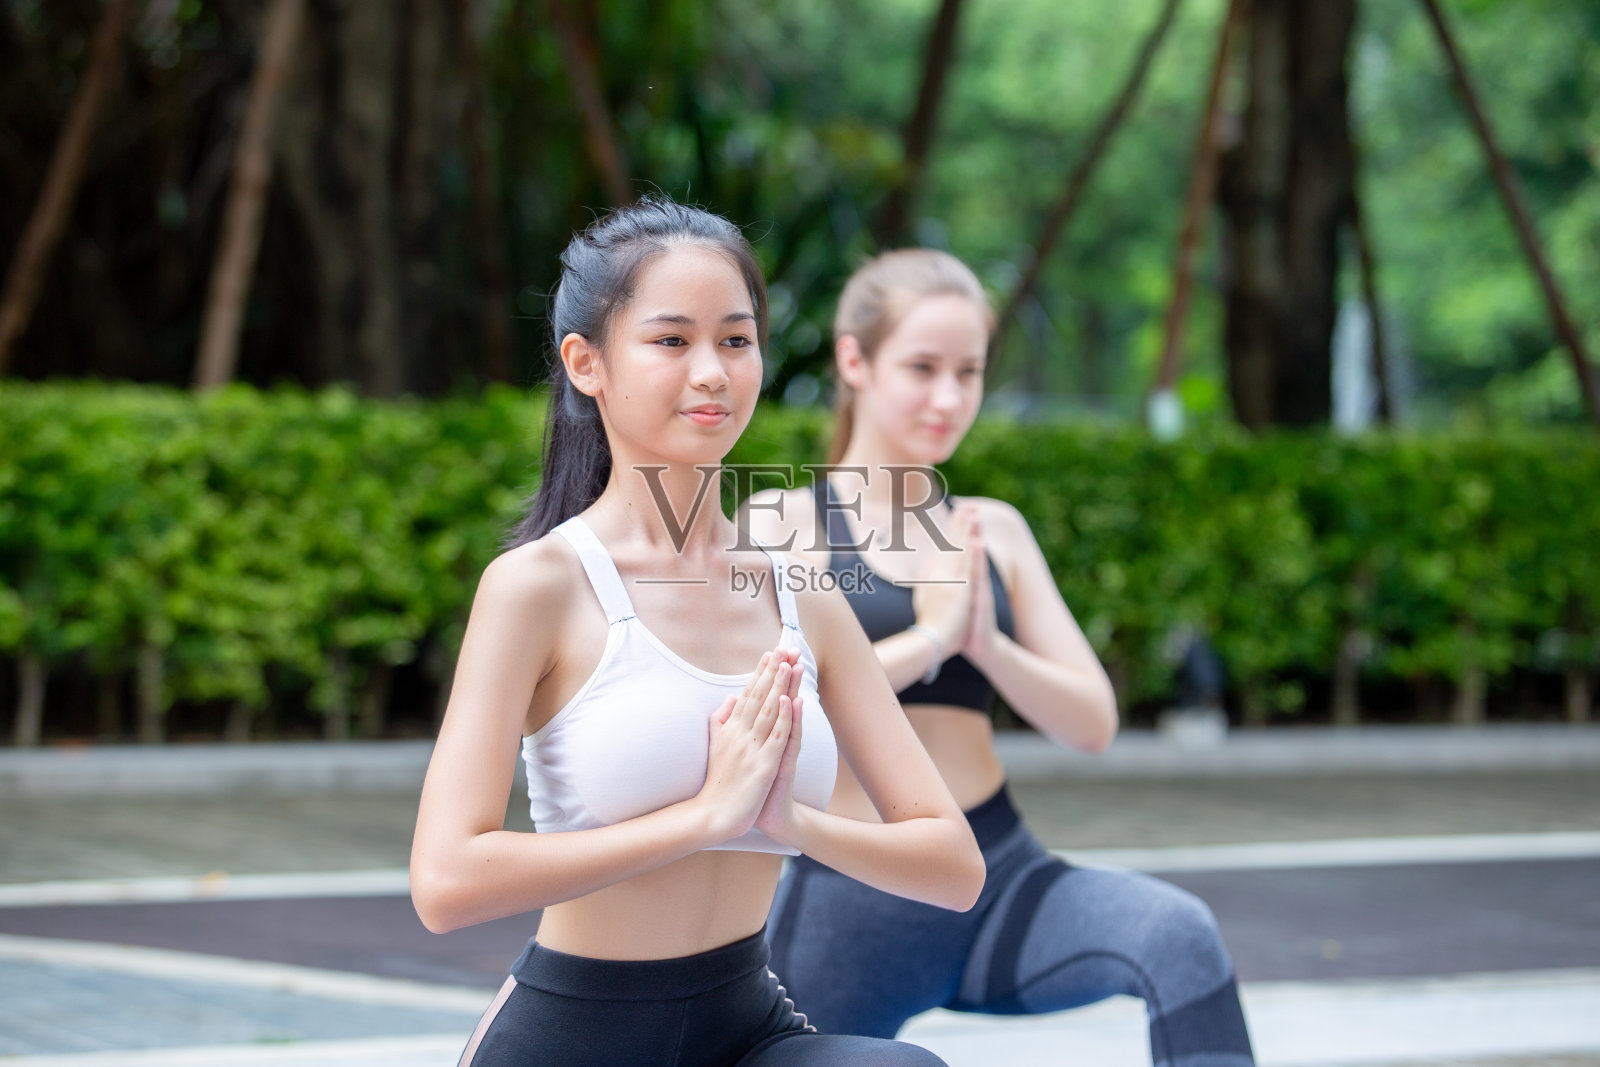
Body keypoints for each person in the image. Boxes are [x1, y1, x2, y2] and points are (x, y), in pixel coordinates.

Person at [410, 203, 982, 1067]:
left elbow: (952, 863)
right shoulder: (540, 587)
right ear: (586, 363)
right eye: (672, 341)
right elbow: (446, 882)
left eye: (737, 340)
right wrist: (704, 815)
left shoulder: (802, 592)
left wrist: (785, 817)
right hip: (576, 1036)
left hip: (746, 1026)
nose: (712, 372)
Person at [744, 249, 1256, 1067]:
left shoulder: (994, 528)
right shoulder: (780, 522)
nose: (950, 397)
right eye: (923, 367)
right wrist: (934, 639)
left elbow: (1092, 723)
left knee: (1180, 935)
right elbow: (778, 701)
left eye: (970, 372)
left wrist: (987, 644)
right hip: (852, 895)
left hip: (999, 877)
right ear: (854, 360)